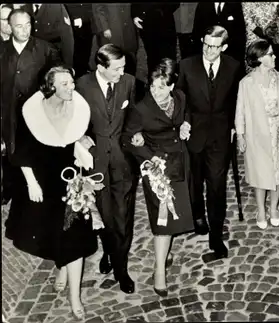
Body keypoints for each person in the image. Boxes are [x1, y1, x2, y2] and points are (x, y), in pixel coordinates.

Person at [5, 66, 97, 319]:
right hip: (43, 180)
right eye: (65, 84)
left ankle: (75, 296)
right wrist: (31, 183)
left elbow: (85, 132)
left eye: (71, 82)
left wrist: (83, 142)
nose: (71, 87)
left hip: (70, 179)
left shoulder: (78, 105)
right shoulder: (31, 112)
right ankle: (63, 267)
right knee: (53, 232)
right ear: (51, 86)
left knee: (75, 235)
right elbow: (22, 151)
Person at [122, 58, 194, 296]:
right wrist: (144, 151)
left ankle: (166, 251)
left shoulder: (180, 98)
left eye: (161, 87)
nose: (155, 91)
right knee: (162, 219)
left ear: (172, 86)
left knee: (175, 214)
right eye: (153, 86)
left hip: (180, 163)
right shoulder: (141, 109)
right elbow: (128, 138)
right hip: (157, 169)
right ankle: (159, 270)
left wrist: (185, 124)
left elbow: (187, 114)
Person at [75, 44, 138, 293]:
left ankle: (121, 269)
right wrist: (78, 136)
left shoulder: (129, 82)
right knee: (103, 214)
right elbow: (71, 116)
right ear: (100, 67)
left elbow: (133, 117)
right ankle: (109, 252)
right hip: (96, 161)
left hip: (123, 162)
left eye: (124, 67)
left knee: (122, 217)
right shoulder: (82, 85)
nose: (122, 73)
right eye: (117, 69)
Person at [176, 25, 241, 260]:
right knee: (194, 182)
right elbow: (179, 99)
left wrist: (235, 127)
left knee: (216, 186)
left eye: (214, 47)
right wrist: (182, 122)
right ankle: (197, 215)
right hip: (193, 133)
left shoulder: (233, 67)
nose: (208, 50)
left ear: (223, 47)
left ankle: (216, 235)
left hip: (220, 136)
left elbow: (235, 100)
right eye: (205, 44)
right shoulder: (186, 65)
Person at [235, 40, 279, 229]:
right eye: (271, 54)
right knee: (260, 173)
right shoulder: (246, 83)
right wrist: (240, 135)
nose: (275, 56)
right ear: (260, 58)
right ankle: (261, 210)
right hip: (257, 134)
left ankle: (273, 208)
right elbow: (240, 111)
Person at [0, 8, 60, 205]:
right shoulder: (2, 51)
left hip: (35, 115)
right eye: (19, 26)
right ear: (9, 27)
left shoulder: (45, 48)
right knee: (11, 159)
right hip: (7, 115)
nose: (25, 30)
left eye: (28, 25)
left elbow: (59, 76)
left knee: (35, 160)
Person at [242, 2, 279, 77]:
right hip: (255, 39)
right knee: (256, 72)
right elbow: (248, 20)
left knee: (276, 71)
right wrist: (264, 34)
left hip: (275, 39)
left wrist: (276, 31)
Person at [91, 4, 138, 76]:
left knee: (129, 53)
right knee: (113, 55)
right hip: (112, 27)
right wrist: (105, 27)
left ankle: (129, 78)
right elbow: (99, 9)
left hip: (127, 27)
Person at [132, 3, 179, 74]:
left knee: (168, 58)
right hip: (148, 25)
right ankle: (153, 83)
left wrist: (160, 11)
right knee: (152, 59)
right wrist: (135, 15)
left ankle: (169, 81)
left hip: (166, 25)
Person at [66, 4, 93, 78]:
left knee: (86, 52)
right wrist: (73, 19)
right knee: (75, 54)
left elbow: (91, 8)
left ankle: (83, 72)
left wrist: (84, 18)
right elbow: (62, 11)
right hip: (72, 28)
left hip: (87, 26)